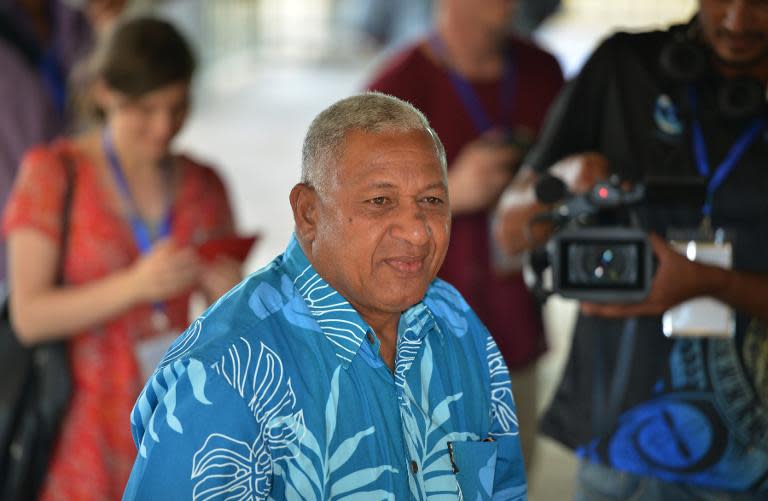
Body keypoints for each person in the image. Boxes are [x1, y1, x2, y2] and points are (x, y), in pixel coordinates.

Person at [122, 92, 528, 500]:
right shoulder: (225, 372)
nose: (418, 231)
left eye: (432, 201)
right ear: (309, 213)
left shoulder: (457, 325)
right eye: (380, 201)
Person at [495, 0, 768, 499]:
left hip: (753, 461)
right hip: (618, 456)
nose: (737, 21)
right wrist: (564, 179)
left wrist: (711, 282)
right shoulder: (624, 67)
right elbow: (509, 232)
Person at [3, 17, 242, 500]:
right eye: (144, 109)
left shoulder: (204, 185)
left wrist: (230, 298)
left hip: (176, 421)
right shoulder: (53, 174)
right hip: (76, 429)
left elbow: (228, 329)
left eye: (177, 108)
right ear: (104, 93)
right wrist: (134, 286)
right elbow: (29, 316)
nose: (162, 128)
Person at [366, 0, 564, 467]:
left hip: (515, 335)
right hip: (417, 355)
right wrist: (449, 193)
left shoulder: (543, 73)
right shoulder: (394, 91)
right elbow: (349, 232)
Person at [0, 0, 124, 288]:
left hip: (81, 222)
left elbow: (100, 110)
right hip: (13, 227)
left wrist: (108, 30)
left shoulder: (76, 22)